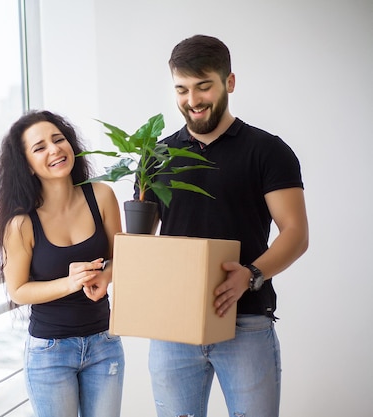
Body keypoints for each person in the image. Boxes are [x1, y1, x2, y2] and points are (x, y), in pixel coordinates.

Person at [142, 35, 309, 417]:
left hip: (246, 320)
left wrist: (250, 275)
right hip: (173, 326)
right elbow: (142, 245)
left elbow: (296, 233)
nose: (193, 100)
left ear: (229, 82)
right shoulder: (155, 156)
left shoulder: (267, 151)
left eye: (204, 87)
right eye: (182, 89)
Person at [0, 110, 125, 417]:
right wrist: (70, 282)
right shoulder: (21, 224)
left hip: (104, 343)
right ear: (27, 164)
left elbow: (121, 257)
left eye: (58, 139)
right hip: (50, 353)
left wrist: (105, 276)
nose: (54, 150)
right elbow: (18, 290)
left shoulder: (101, 195)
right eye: (40, 148)